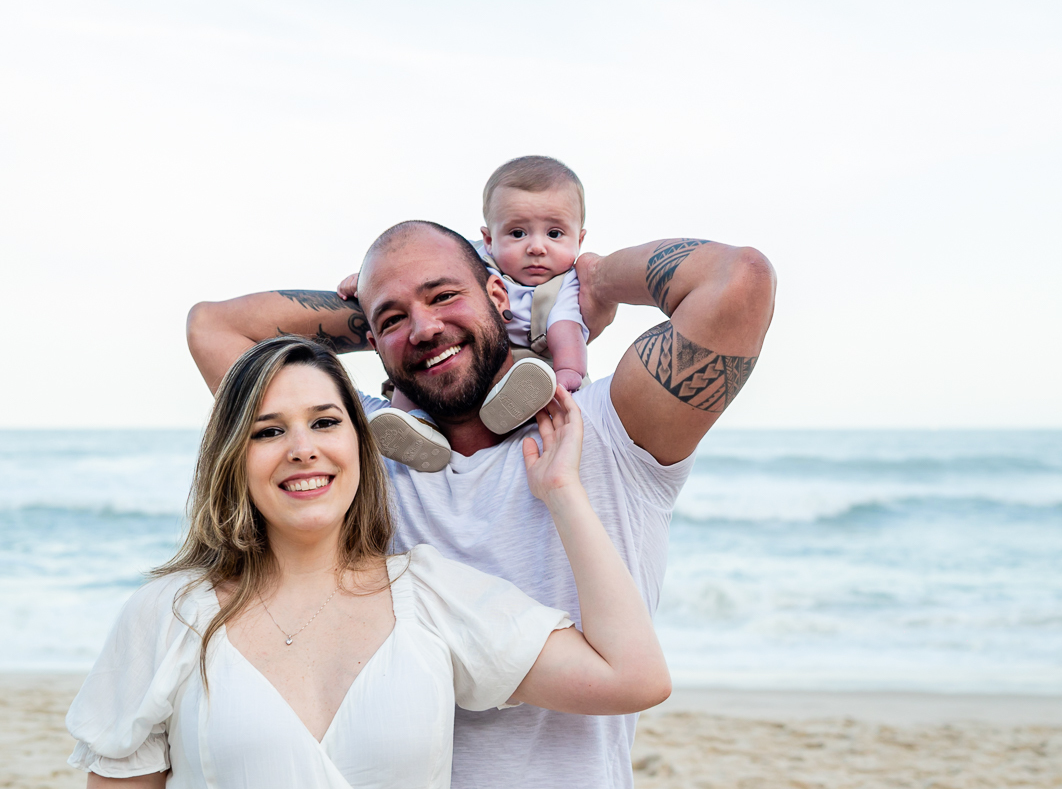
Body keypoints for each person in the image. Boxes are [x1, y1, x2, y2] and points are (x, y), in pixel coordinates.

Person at [187, 222, 776, 789]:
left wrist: (585, 283)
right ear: (372, 341)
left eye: (444, 296)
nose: (424, 329)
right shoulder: (354, 451)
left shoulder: (607, 429)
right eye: (394, 320)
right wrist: (369, 309)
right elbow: (214, 329)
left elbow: (738, 280)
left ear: (500, 294)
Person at [67, 336, 670, 788]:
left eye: (325, 423)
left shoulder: (430, 595)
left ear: (361, 443)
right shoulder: (170, 615)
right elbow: (211, 324)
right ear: (232, 457)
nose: (304, 449)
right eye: (268, 431)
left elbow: (633, 678)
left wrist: (563, 492)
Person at [340, 156, 593, 472]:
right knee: (407, 377)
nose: (536, 247)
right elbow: (411, 268)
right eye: (517, 234)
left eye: (555, 234)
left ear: (580, 240)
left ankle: (510, 416)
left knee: (531, 378)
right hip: (460, 365)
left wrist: (569, 372)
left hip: (536, 365)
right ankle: (413, 426)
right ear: (489, 239)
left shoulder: (567, 284)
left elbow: (565, 328)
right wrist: (367, 281)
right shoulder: (475, 259)